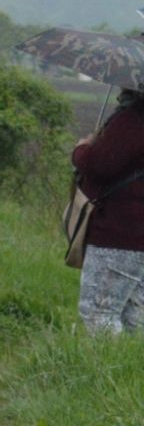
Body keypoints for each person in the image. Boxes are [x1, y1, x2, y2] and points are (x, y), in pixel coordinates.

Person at [72, 89, 144, 334]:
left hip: (120, 230)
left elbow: (99, 165)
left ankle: (101, 372)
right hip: (137, 236)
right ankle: (132, 371)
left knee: (98, 312)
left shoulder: (133, 119)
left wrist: (81, 149)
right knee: (134, 317)